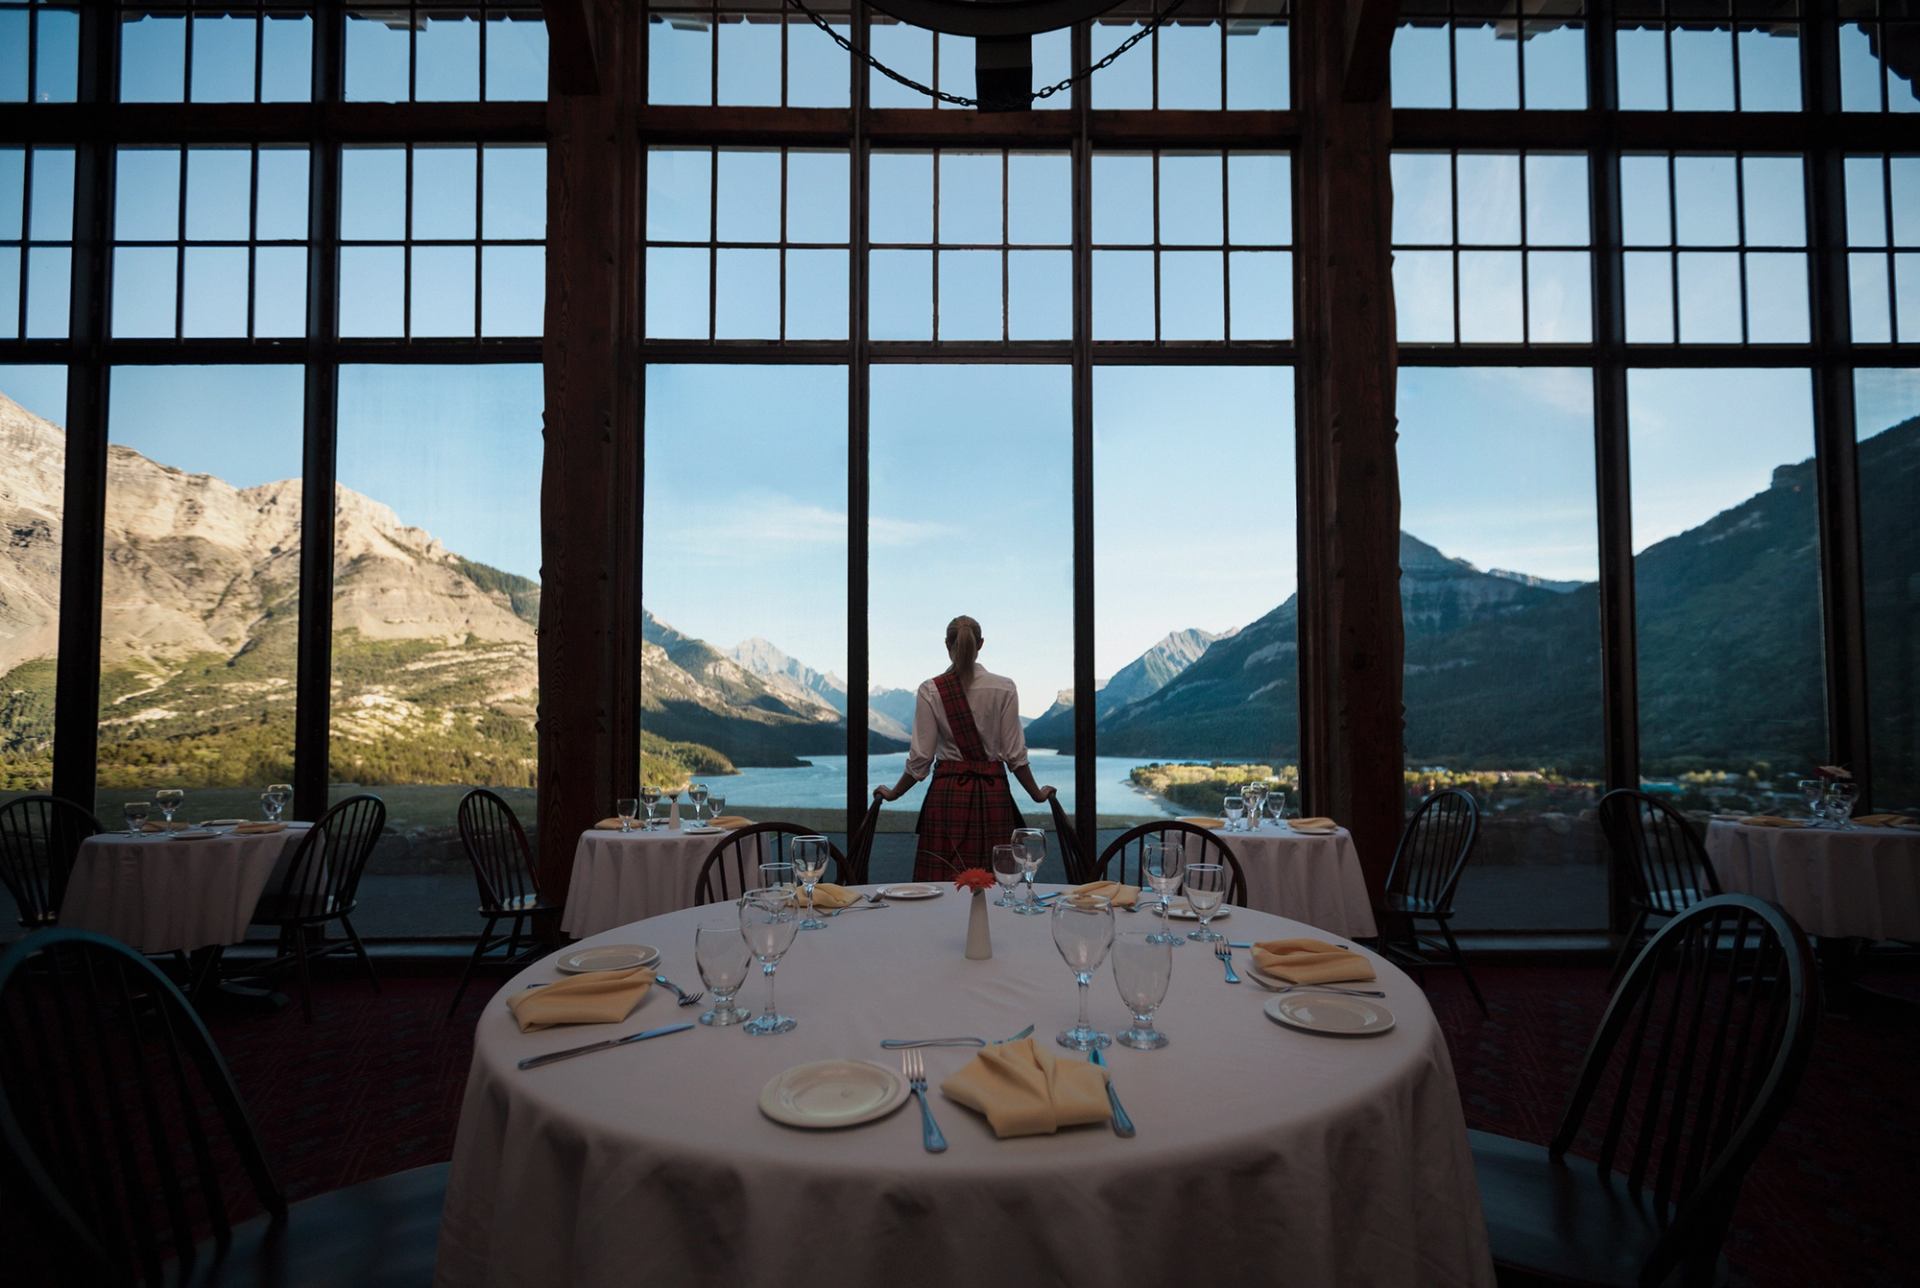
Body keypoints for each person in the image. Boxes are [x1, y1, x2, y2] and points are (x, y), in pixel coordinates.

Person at [872, 615, 1056, 880]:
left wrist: (894, 794)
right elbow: (1015, 756)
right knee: (996, 883)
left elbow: (921, 759)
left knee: (941, 881)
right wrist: (1036, 794)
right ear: (981, 644)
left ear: (947, 645)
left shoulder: (930, 689)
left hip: (948, 796)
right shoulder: (1004, 687)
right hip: (994, 795)